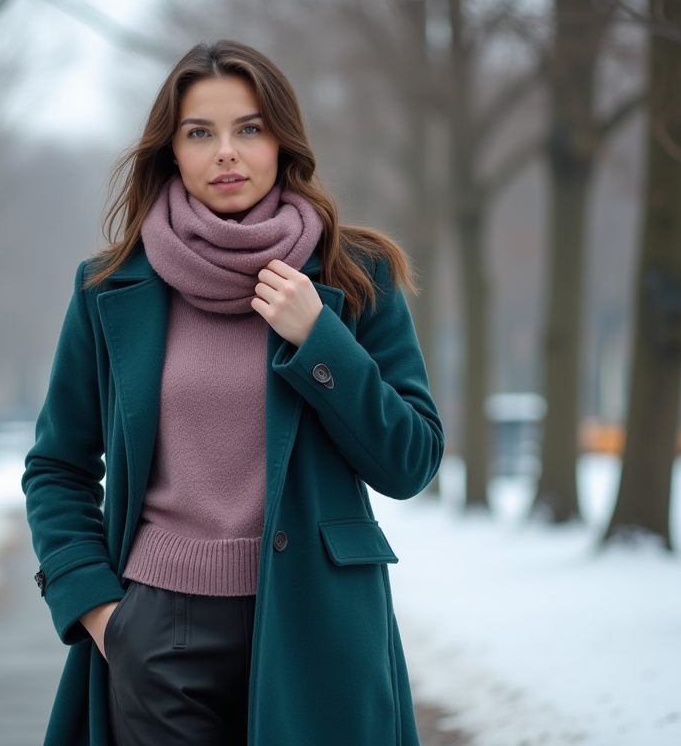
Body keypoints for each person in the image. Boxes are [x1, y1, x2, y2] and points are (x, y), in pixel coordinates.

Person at [22, 40, 443, 746]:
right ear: (172, 150)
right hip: (158, 635)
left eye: (249, 128)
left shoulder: (355, 273)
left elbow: (411, 461)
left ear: (282, 142)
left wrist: (320, 341)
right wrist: (100, 613)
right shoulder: (109, 288)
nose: (226, 152)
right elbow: (57, 466)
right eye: (199, 133)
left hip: (321, 625)